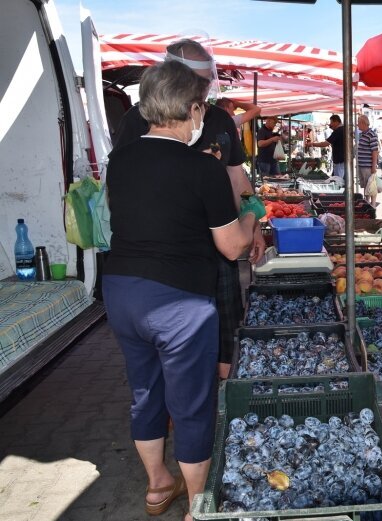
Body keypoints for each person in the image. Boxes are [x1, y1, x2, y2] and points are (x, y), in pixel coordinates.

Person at [104, 61, 261, 521]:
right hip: (178, 303)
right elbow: (232, 247)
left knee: (145, 391)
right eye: (200, 108)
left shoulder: (121, 160)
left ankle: (158, 486)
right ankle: (198, 505)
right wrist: (252, 216)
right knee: (192, 402)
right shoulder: (202, 168)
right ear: (192, 109)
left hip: (122, 292)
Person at [113, 38, 263, 381]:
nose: (204, 95)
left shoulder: (222, 120)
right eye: (200, 86)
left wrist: (252, 225)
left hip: (221, 237)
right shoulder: (139, 118)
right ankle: (188, 397)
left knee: (225, 328)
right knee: (176, 348)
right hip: (172, 250)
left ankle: (221, 392)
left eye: (207, 86)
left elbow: (236, 175)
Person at [356, 115, 379, 207]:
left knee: (371, 185)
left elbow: (375, 151)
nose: (357, 125)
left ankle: (372, 205)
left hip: (367, 166)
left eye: (358, 122)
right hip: (362, 165)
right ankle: (367, 202)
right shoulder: (362, 134)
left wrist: (373, 166)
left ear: (363, 123)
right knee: (366, 186)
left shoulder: (371, 134)